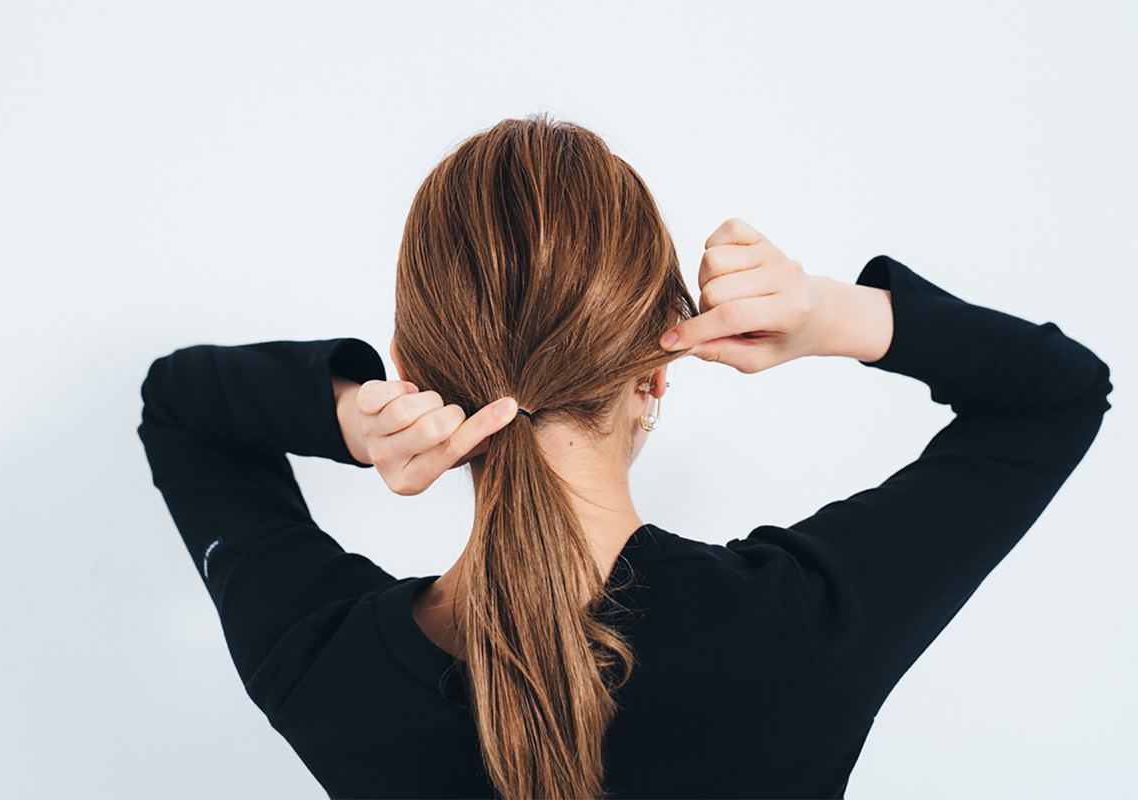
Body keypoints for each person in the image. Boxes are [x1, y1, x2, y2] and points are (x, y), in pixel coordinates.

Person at [138, 115, 1112, 799]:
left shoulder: (325, 666)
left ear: (415, 368)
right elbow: (1058, 394)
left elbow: (179, 406)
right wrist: (828, 313)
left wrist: (350, 414)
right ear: (656, 370)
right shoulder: (799, 638)